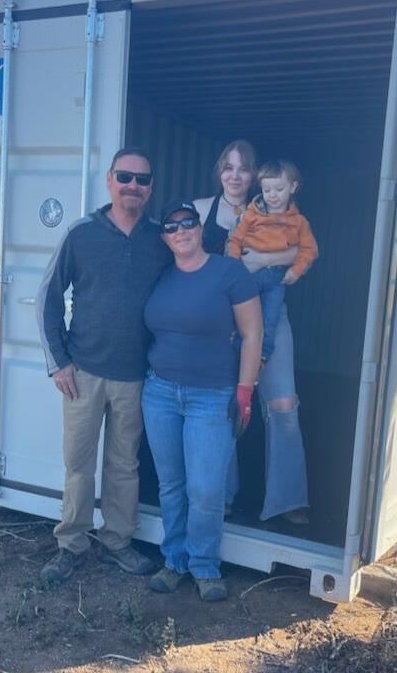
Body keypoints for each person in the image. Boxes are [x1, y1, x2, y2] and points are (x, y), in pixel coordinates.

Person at [36, 147, 172, 583]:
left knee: (123, 465)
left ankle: (117, 542)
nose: (134, 185)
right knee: (78, 464)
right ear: (110, 180)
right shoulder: (81, 234)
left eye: (143, 179)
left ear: (150, 188)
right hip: (84, 373)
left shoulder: (161, 240)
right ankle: (71, 544)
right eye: (126, 177)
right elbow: (47, 300)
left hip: (136, 376)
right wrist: (59, 363)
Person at [142, 200, 262, 601]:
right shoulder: (159, 276)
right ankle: (174, 561)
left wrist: (245, 391)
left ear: (200, 228)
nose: (181, 231)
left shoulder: (229, 272)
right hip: (159, 392)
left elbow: (252, 335)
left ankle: (205, 566)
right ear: (165, 238)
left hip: (212, 397)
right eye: (172, 227)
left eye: (188, 223)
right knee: (171, 484)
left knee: (207, 489)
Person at [194, 140, 310, 524]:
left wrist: (262, 259)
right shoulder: (199, 210)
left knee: (282, 406)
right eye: (228, 167)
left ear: (256, 176)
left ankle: (289, 500)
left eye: (243, 169)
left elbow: (304, 249)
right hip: (222, 324)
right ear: (219, 171)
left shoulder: (275, 208)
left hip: (272, 318)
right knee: (223, 405)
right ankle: (223, 496)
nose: (235, 175)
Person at [227, 160, 318, 363]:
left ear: (293, 187)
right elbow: (235, 241)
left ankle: (262, 358)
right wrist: (235, 267)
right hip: (249, 276)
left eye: (279, 189)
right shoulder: (251, 214)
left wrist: (296, 270)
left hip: (277, 279)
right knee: (239, 318)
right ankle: (235, 355)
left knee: (270, 319)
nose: (272, 195)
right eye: (267, 190)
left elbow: (309, 249)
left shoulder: (299, 222)